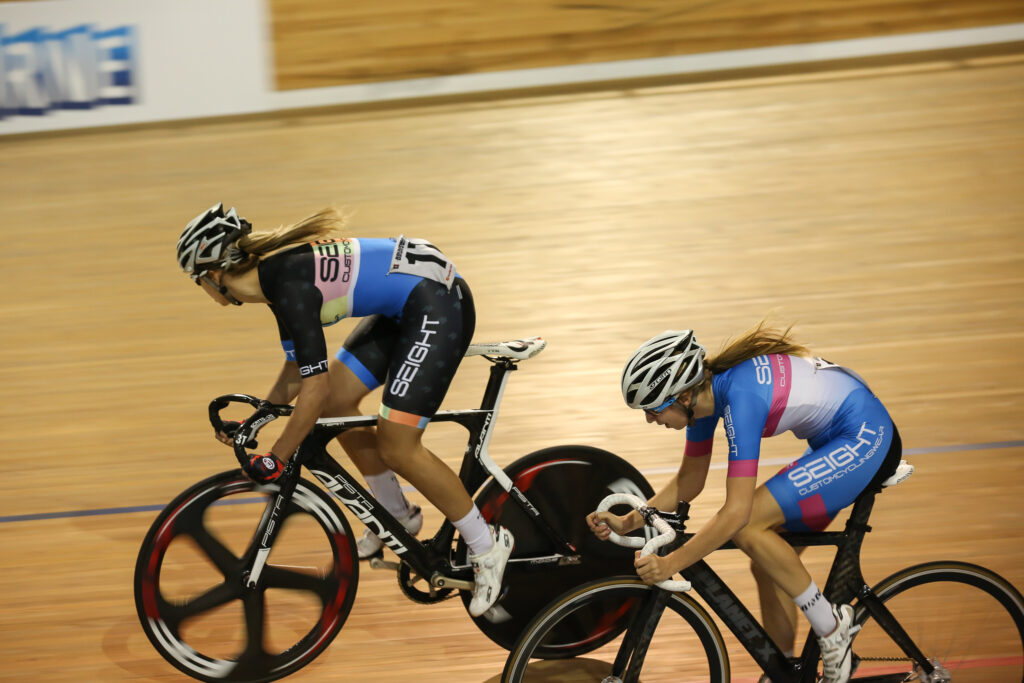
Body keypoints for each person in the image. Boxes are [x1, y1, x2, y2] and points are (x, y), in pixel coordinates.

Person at [175, 202, 513, 617]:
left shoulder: (286, 285)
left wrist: (277, 457)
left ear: (212, 275)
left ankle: (487, 545)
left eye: (197, 283)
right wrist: (255, 421)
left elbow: (310, 391)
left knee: (399, 444)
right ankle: (395, 515)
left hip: (437, 303)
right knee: (338, 403)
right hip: (410, 302)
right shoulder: (275, 280)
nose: (204, 292)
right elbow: (299, 375)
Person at [588, 323, 901, 683]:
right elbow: (692, 480)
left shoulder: (741, 398)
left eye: (653, 408)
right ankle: (783, 671)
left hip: (864, 438)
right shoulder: (704, 401)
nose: (649, 418)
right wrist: (631, 521)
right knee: (767, 562)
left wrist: (671, 562)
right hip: (838, 437)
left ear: (683, 397)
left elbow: (736, 514)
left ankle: (833, 630)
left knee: (750, 525)